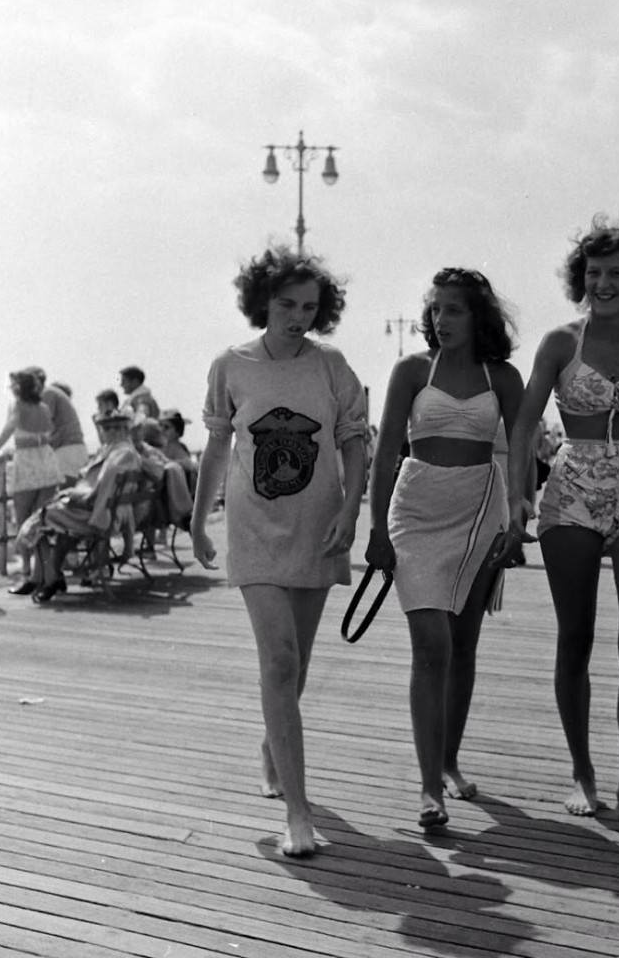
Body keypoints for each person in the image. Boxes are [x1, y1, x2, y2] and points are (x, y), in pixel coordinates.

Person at [504, 218, 619, 843]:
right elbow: (525, 425)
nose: (603, 283)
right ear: (581, 280)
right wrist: (517, 498)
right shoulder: (559, 342)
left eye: (616, 274)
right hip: (573, 489)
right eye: (594, 273)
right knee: (575, 635)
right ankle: (583, 772)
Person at [189, 245, 367, 858]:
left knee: (299, 662)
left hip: (318, 525)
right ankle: (298, 811)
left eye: (310, 307)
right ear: (262, 301)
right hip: (255, 525)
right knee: (280, 661)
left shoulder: (331, 365)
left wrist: (351, 508)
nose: (298, 316)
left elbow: (353, 441)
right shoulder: (230, 365)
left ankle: (273, 744)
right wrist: (197, 520)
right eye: (287, 304)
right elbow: (215, 446)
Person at [366, 267, 524, 830]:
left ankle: (450, 760)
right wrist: (377, 530)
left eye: (453, 309)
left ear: (478, 315)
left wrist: (518, 515)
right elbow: (384, 452)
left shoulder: (502, 377)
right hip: (416, 510)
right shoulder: (411, 370)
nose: (440, 319)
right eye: (434, 309)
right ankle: (430, 787)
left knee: (462, 644)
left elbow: (521, 450)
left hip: (479, 511)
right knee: (431, 642)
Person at [13, 410, 143, 601]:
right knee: (52, 519)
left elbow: (95, 493)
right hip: (117, 514)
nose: (103, 433)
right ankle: (49, 576)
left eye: (105, 429)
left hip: (98, 516)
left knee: (39, 521)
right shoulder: (128, 453)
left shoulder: (118, 455)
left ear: (115, 430)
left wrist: (71, 495)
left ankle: (47, 578)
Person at [0, 369, 62, 593]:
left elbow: (10, 426)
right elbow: (49, 432)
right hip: (47, 460)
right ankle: (44, 575)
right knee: (40, 522)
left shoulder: (17, 403)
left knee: (26, 524)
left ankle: (32, 575)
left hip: (28, 463)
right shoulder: (42, 407)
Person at [26, 367, 88, 486]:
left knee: (63, 497)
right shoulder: (52, 393)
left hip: (67, 452)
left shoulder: (47, 393)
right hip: (72, 450)